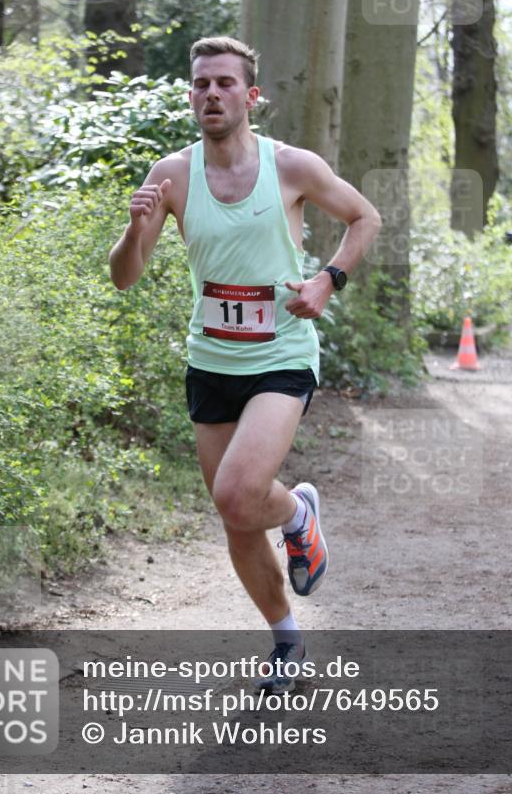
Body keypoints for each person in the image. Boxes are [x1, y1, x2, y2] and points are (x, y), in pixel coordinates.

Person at [109, 37, 381, 693]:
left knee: (238, 495)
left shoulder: (290, 166)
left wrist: (327, 281)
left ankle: (296, 516)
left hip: (281, 356)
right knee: (234, 520)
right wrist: (130, 227)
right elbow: (124, 277)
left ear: (250, 96)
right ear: (189, 96)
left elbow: (363, 217)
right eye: (201, 83)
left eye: (225, 83)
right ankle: (287, 642)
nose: (211, 93)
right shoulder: (170, 175)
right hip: (210, 361)